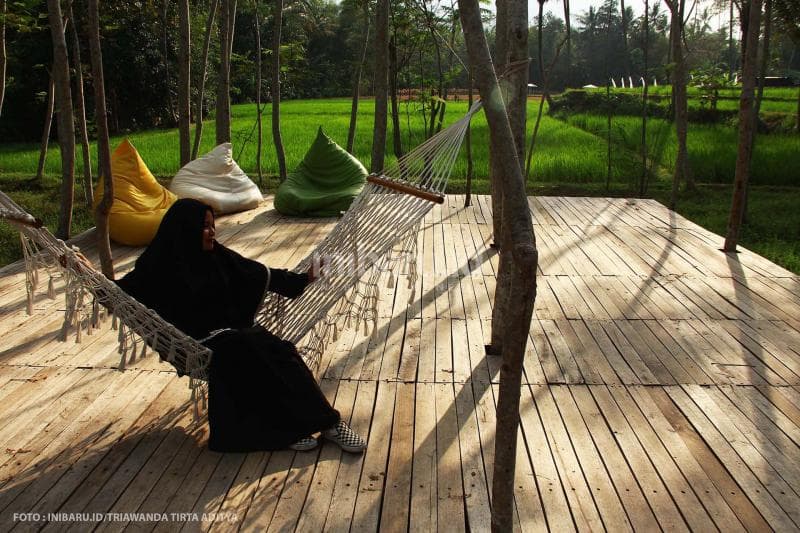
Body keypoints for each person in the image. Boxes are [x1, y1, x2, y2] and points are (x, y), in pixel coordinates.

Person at [83, 198, 366, 453]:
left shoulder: (218, 255)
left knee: (281, 350)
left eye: (212, 225)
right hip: (197, 343)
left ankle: (319, 424)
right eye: (204, 227)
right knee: (248, 348)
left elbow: (256, 274)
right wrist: (81, 270)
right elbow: (118, 295)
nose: (211, 232)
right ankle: (320, 425)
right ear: (185, 229)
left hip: (235, 333)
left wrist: (304, 278)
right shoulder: (156, 266)